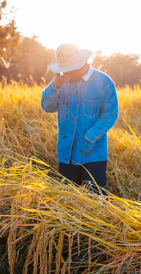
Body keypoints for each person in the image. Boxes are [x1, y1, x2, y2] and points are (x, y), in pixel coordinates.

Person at [41, 43, 118, 194]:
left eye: (68, 68)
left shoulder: (104, 82)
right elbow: (47, 107)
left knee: (95, 200)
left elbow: (110, 114)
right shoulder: (61, 82)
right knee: (68, 201)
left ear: (81, 63)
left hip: (93, 155)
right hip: (66, 154)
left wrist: (90, 137)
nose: (65, 73)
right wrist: (54, 86)